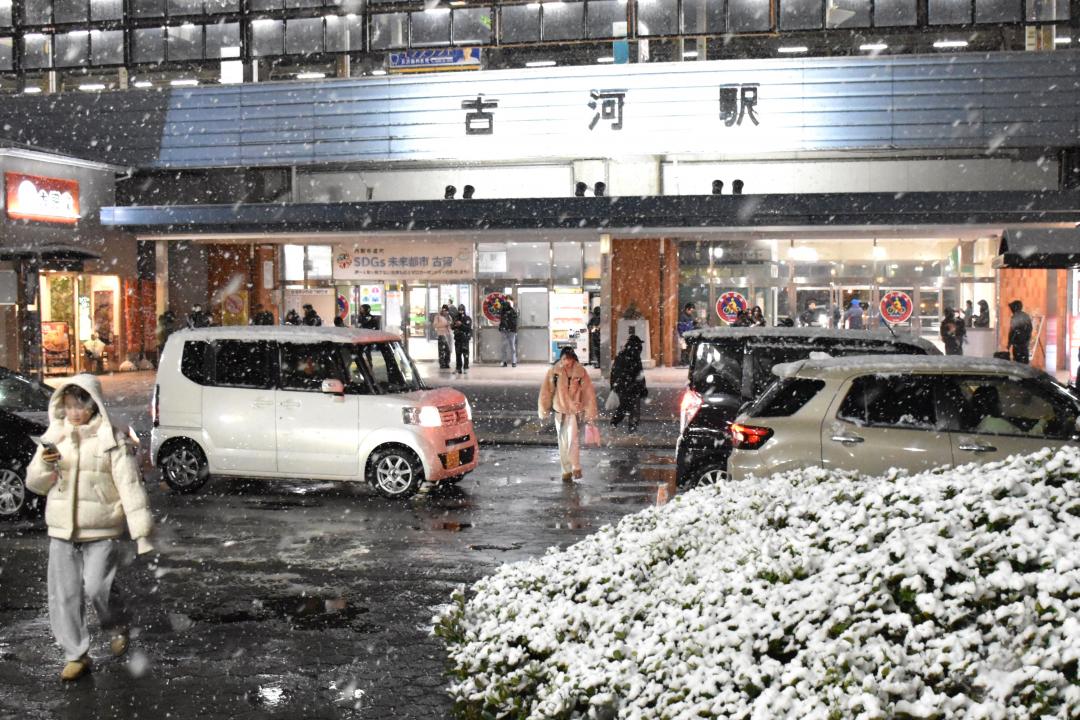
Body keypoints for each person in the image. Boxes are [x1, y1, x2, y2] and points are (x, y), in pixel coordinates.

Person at [25, 377, 154, 681]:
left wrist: (141, 532)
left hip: (102, 527)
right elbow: (35, 484)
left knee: (98, 587)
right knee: (64, 595)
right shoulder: (54, 436)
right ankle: (76, 655)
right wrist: (45, 464)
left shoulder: (111, 438)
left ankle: (118, 624)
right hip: (62, 528)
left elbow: (130, 486)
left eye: (79, 405)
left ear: (92, 404)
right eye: (68, 406)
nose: (73, 412)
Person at [538, 347, 598, 482]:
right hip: (560, 411)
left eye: (569, 359)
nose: (567, 362)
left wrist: (590, 414)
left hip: (574, 412)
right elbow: (546, 392)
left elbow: (589, 394)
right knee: (563, 442)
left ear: (573, 358)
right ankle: (566, 471)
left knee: (573, 440)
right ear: (561, 359)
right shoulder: (554, 372)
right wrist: (544, 409)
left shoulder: (580, 372)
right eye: (564, 359)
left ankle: (576, 467)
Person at [610, 335, 647, 432]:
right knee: (633, 408)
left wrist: (614, 386)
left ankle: (615, 422)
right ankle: (631, 428)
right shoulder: (634, 357)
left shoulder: (622, 355)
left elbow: (614, 373)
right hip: (631, 387)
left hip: (623, 387)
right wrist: (642, 387)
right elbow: (639, 374)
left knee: (624, 406)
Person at [1008, 300, 1033, 364]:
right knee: (1025, 361)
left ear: (1015, 307)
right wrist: (1027, 339)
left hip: (1017, 344)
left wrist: (1009, 342)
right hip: (1025, 344)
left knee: (1018, 362)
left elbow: (1012, 331)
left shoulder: (1015, 317)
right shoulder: (1026, 316)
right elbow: (1030, 328)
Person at [452, 304, 473, 373]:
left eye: (462, 310)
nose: (461, 311)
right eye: (459, 310)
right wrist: (455, 325)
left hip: (465, 338)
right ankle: (458, 367)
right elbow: (452, 327)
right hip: (458, 338)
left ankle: (466, 367)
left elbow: (468, 328)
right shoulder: (456, 318)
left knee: (465, 353)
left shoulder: (467, 318)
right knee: (458, 354)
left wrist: (461, 325)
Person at [499, 298, 518, 368]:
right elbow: (502, 320)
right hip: (506, 330)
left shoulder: (512, 312)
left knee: (510, 347)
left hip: (510, 331)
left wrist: (512, 329)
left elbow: (514, 322)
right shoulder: (504, 311)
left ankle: (512, 361)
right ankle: (507, 362)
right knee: (506, 347)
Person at [434, 305, 453, 369]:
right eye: (444, 310)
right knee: (442, 350)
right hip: (441, 335)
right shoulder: (438, 317)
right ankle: (442, 364)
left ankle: (447, 363)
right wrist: (445, 324)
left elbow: (451, 325)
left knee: (448, 350)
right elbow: (435, 325)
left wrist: (450, 325)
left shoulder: (449, 317)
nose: (445, 312)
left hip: (448, 335)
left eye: (446, 311)